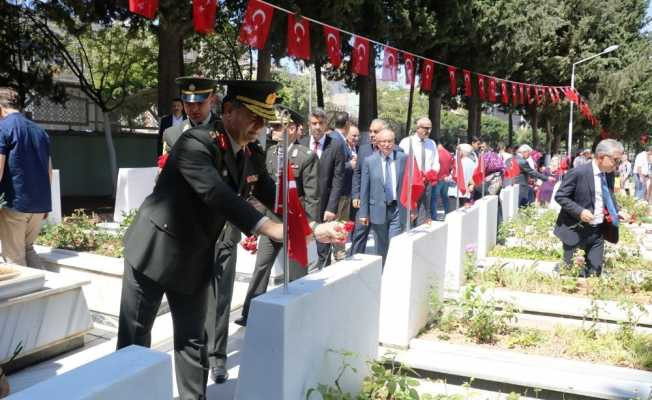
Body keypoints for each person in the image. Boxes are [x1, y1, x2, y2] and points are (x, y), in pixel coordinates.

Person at [116, 80, 344, 400]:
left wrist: (313, 226)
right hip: (154, 250)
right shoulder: (196, 143)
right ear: (228, 111)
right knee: (134, 341)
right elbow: (216, 193)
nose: (261, 126)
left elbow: (276, 198)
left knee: (194, 341)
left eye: (265, 119)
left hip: (194, 255)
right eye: (254, 117)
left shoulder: (250, 152)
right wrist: (272, 229)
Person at [237, 106, 319, 327]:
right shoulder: (270, 153)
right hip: (272, 220)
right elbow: (261, 191)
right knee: (262, 267)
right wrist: (258, 222)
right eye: (272, 126)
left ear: (291, 128)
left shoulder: (305, 156)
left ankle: (297, 314)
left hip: (294, 222)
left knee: (296, 271)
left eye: (277, 126)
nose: (272, 130)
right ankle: (249, 312)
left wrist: (309, 225)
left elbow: (312, 195)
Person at [554, 139, 625, 277]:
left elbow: (607, 195)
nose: (617, 165)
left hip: (597, 232)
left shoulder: (608, 174)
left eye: (619, 161)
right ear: (601, 157)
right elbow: (561, 196)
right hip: (575, 231)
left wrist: (617, 211)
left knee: (594, 274)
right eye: (615, 160)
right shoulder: (578, 173)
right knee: (573, 274)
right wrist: (579, 211)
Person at [0, 87, 52, 268]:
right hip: (39, 205)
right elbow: (48, 171)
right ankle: (50, 292)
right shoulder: (40, 131)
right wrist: (45, 204)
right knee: (28, 249)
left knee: (14, 260)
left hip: (15, 204)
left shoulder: (2, 128)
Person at [300, 108, 345, 268]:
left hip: (325, 204)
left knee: (323, 244)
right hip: (304, 204)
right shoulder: (302, 143)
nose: (317, 127)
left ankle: (323, 272)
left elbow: (338, 179)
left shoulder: (336, 145)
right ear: (308, 124)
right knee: (303, 244)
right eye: (314, 123)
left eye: (321, 123)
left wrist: (332, 207)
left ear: (326, 124)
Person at [358, 128, 406, 266]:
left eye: (390, 141)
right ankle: (381, 272)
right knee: (381, 245)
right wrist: (363, 213)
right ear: (377, 143)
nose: (387, 144)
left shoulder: (403, 158)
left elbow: (408, 184)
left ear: (394, 142)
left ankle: (393, 271)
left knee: (395, 242)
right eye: (383, 141)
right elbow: (364, 189)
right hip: (377, 209)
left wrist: (412, 208)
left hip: (397, 208)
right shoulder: (370, 161)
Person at [349, 118, 387, 256]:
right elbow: (357, 174)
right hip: (364, 202)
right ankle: (353, 263)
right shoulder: (364, 150)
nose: (371, 134)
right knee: (359, 234)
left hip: (382, 203)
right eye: (370, 131)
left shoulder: (392, 151)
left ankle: (381, 267)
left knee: (381, 238)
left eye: (375, 131)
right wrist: (356, 195)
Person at [161, 76, 219, 156]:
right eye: (188, 103)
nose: (194, 109)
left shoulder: (226, 131)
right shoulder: (172, 134)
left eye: (200, 103)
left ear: (212, 100)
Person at [399, 117, 439, 225]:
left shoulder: (432, 143)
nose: (428, 131)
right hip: (411, 183)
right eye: (426, 128)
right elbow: (401, 163)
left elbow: (435, 163)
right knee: (409, 212)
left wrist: (430, 175)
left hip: (426, 183)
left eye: (430, 128)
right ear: (418, 128)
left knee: (423, 211)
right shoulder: (407, 142)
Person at [329, 112, 353, 260]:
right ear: (347, 124)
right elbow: (334, 167)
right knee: (336, 225)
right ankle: (337, 254)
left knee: (342, 225)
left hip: (345, 192)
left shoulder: (341, 139)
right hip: (338, 193)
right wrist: (351, 164)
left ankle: (340, 253)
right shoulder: (335, 140)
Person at [430, 143, 452, 220]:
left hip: (438, 178)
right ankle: (448, 213)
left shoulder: (437, 154)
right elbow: (450, 166)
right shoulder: (448, 153)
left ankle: (434, 216)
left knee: (434, 198)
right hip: (445, 178)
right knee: (445, 197)